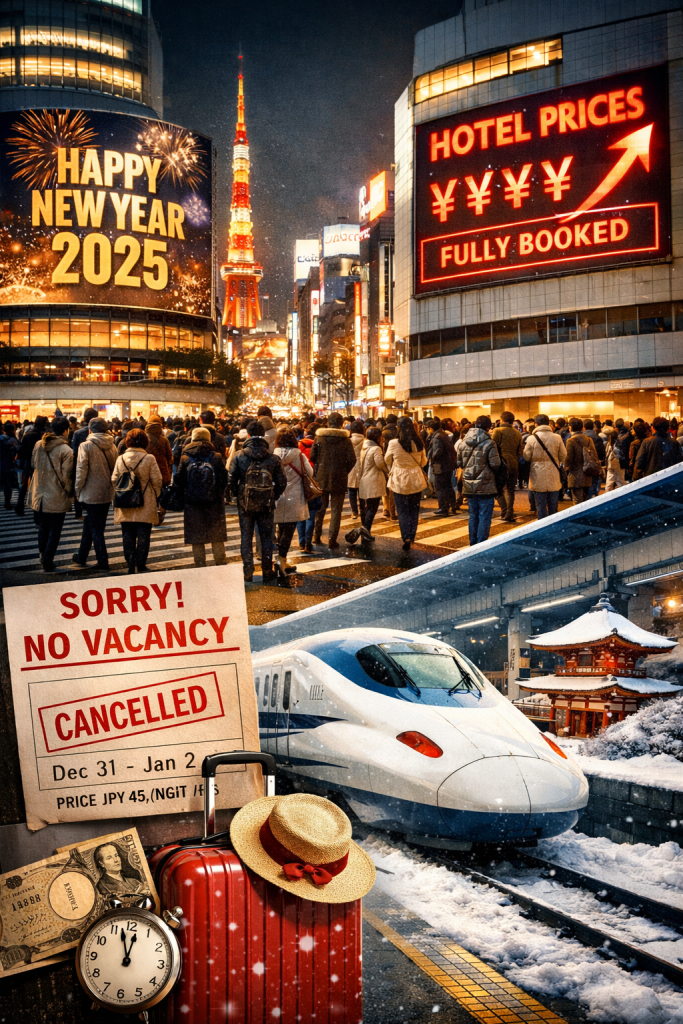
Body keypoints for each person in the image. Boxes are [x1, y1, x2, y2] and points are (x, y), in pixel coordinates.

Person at [228, 420, 286, 583]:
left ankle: (248, 570)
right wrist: (273, 496)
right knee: (266, 537)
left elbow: (231, 479)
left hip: (245, 503)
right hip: (266, 503)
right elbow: (282, 482)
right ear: (263, 436)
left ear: (248, 435)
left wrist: (237, 495)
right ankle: (267, 570)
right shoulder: (273, 458)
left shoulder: (239, 456)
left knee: (246, 536)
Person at [174, 427, 228, 567]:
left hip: (193, 502)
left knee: (196, 535)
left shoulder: (185, 457)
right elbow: (224, 479)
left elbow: (178, 480)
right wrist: (217, 492)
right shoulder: (216, 457)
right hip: (214, 501)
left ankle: (200, 563)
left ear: (192, 439)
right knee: (216, 534)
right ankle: (220, 561)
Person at [111, 428, 162, 574]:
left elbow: (114, 479)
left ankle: (130, 563)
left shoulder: (121, 458)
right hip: (145, 500)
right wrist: (156, 495)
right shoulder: (149, 458)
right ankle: (140, 564)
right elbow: (157, 480)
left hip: (125, 501)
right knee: (144, 535)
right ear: (145, 441)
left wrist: (124, 489)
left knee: (127, 534)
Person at [28, 417, 74, 572]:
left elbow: (33, 464)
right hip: (56, 495)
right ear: (66, 430)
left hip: (39, 493)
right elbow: (67, 476)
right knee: (55, 529)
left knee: (43, 526)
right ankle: (48, 559)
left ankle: (43, 555)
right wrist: (69, 491)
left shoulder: (38, 444)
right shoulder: (66, 450)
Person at [73, 417, 117, 570]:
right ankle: (82, 555)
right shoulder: (112, 446)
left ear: (90, 430)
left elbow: (81, 470)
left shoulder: (85, 446)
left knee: (95, 528)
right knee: (92, 524)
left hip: (90, 493)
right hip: (106, 493)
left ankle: (102, 560)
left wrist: (77, 489)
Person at [310, 412, 357, 550]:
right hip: (339, 478)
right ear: (341, 423)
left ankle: (316, 536)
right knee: (336, 510)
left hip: (321, 477)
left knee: (320, 508)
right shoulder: (346, 440)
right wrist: (343, 470)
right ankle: (332, 539)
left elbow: (312, 456)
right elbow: (352, 460)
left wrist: (320, 467)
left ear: (328, 423)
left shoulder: (319, 438)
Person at [273, 426, 314, 576]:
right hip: (294, 497)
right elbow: (310, 473)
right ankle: (281, 560)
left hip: (278, 496)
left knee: (281, 529)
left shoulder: (273, 456)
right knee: (289, 531)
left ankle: (281, 560)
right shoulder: (299, 455)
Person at [385, 418, 427, 551]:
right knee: (414, 509)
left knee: (402, 510)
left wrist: (396, 464)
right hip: (416, 478)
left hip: (399, 478)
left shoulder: (393, 443)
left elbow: (387, 459)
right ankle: (412, 535)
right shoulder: (419, 442)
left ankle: (405, 536)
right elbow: (423, 462)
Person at [457, 415, 501, 545]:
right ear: (488, 428)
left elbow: (459, 463)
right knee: (484, 517)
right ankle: (481, 545)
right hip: (486, 485)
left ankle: (473, 543)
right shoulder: (490, 443)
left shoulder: (463, 442)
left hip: (469, 484)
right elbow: (495, 464)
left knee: (473, 516)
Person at [347, 427, 388, 544]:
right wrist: (387, 470)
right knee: (372, 507)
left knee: (367, 507)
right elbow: (379, 463)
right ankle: (364, 530)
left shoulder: (363, 447)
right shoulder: (376, 448)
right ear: (377, 437)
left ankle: (366, 532)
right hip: (373, 480)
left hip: (364, 480)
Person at [523, 414, 567, 518]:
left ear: (536, 424)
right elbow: (563, 455)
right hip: (554, 474)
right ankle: (553, 523)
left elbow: (527, 457)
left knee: (540, 505)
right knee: (553, 504)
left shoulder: (531, 438)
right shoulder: (557, 437)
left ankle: (542, 523)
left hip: (537, 474)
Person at [15, 414, 49, 516]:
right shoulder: (47, 435)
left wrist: (21, 461)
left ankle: (20, 506)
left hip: (29, 462)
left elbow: (22, 450)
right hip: (43, 463)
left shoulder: (28, 435)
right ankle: (38, 509)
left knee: (24, 485)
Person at [492, 411, 523, 523]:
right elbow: (520, 450)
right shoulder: (518, 433)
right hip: (513, 463)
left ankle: (504, 511)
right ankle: (509, 512)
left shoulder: (497, 431)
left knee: (499, 488)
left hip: (500, 463)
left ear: (501, 419)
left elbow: (493, 447)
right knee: (510, 489)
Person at [297, 424, 322, 553]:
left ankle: (301, 542)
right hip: (311, 482)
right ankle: (308, 543)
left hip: (298, 484)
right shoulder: (318, 446)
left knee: (300, 517)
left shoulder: (298, 447)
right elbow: (311, 470)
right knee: (311, 515)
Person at [71, 407, 98, 520]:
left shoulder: (78, 433)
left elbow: (74, 452)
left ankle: (78, 512)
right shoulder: (101, 434)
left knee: (78, 486)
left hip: (79, 463)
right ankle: (90, 509)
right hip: (96, 464)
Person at [426, 418, 456, 517]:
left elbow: (438, 450)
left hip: (440, 465)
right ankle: (453, 504)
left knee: (440, 487)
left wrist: (432, 458)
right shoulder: (444, 434)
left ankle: (443, 507)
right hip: (448, 464)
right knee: (447, 485)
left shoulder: (437, 437)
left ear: (430, 428)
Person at [564, 418, 599, 503]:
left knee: (577, 500)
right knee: (585, 500)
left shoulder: (570, 440)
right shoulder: (589, 440)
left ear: (570, 428)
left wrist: (564, 466)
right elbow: (594, 456)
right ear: (582, 427)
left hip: (575, 475)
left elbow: (569, 458)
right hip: (587, 472)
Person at [346, 422, 365, 519]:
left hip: (351, 467)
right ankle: (362, 509)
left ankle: (354, 511)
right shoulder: (366, 441)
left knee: (352, 491)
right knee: (362, 490)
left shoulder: (348, 441)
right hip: (363, 466)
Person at [583, 419, 606, 498]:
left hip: (583, 465)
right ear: (593, 426)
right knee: (594, 482)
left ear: (584, 427)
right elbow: (601, 452)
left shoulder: (581, 438)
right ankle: (593, 497)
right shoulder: (597, 438)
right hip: (594, 465)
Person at [0, 421, 19, 509]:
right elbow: (18, 450)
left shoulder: (1, 438)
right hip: (9, 464)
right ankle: (7, 503)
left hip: (1, 463)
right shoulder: (12, 440)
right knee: (8, 484)